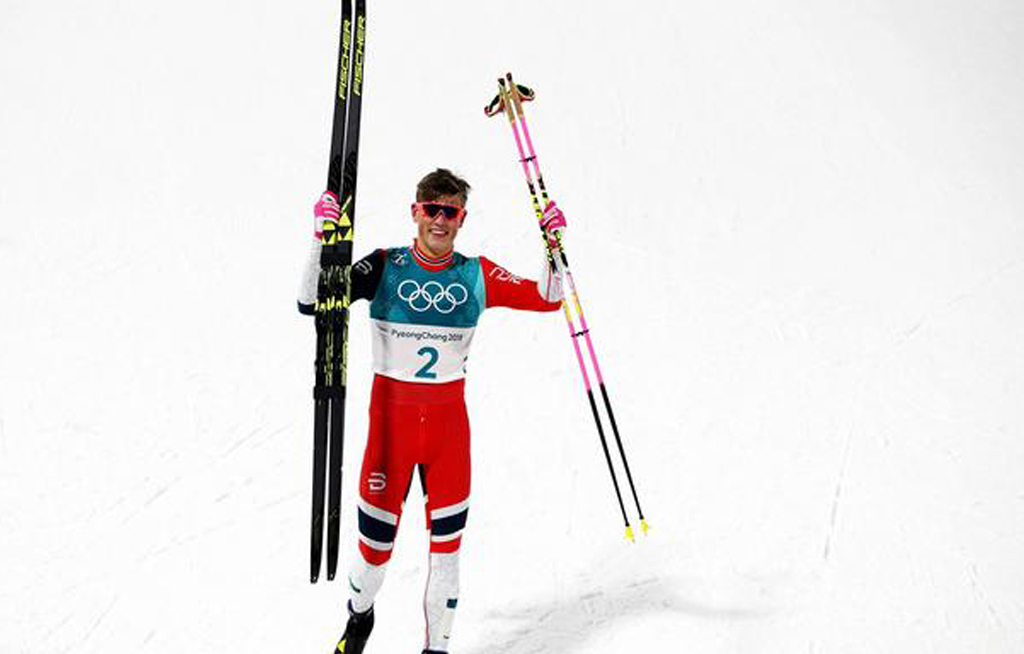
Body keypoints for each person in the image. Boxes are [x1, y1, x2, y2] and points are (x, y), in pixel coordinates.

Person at [297, 168, 568, 654]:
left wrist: (555, 246)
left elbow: (549, 298)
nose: (440, 221)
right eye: (431, 210)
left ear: (461, 219)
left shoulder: (476, 274)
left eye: (450, 212)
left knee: (447, 557)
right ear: (415, 212)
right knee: (373, 557)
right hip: (390, 438)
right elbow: (314, 302)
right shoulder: (384, 266)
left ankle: (436, 650)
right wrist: (321, 240)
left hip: (448, 440)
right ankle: (359, 618)